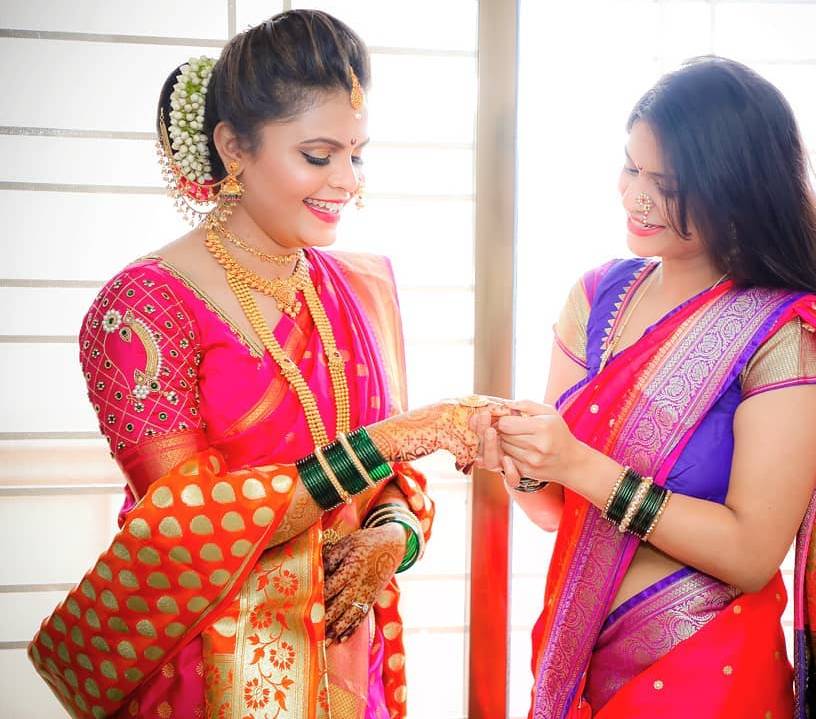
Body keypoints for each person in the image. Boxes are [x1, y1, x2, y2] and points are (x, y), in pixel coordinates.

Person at [26, 10, 504, 719]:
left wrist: (390, 539)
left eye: (357, 154)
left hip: (346, 653)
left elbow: (389, 484)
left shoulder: (355, 288)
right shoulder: (143, 310)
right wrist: (408, 431)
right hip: (209, 670)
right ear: (233, 147)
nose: (348, 181)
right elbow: (183, 524)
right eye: (318, 155)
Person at [475, 57, 816, 718]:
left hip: (707, 672)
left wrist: (576, 462)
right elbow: (559, 510)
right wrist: (524, 463)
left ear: (737, 189)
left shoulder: (782, 332)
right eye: (631, 167)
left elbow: (749, 551)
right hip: (580, 658)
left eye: (668, 182)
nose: (636, 197)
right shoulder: (596, 300)